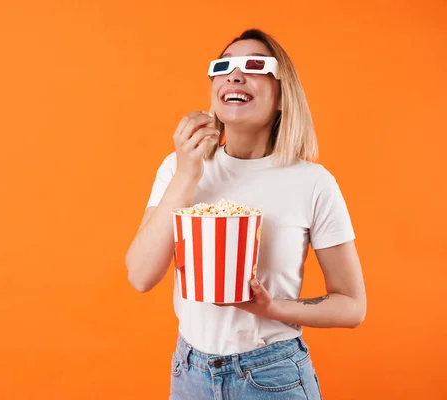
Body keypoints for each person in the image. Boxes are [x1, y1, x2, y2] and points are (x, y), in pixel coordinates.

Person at [124, 29, 367, 400]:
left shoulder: (313, 182)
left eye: (255, 66)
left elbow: (352, 306)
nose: (235, 75)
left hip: (273, 375)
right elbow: (140, 276)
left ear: (283, 97)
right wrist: (188, 173)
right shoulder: (178, 168)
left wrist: (272, 307)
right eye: (224, 67)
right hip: (190, 372)